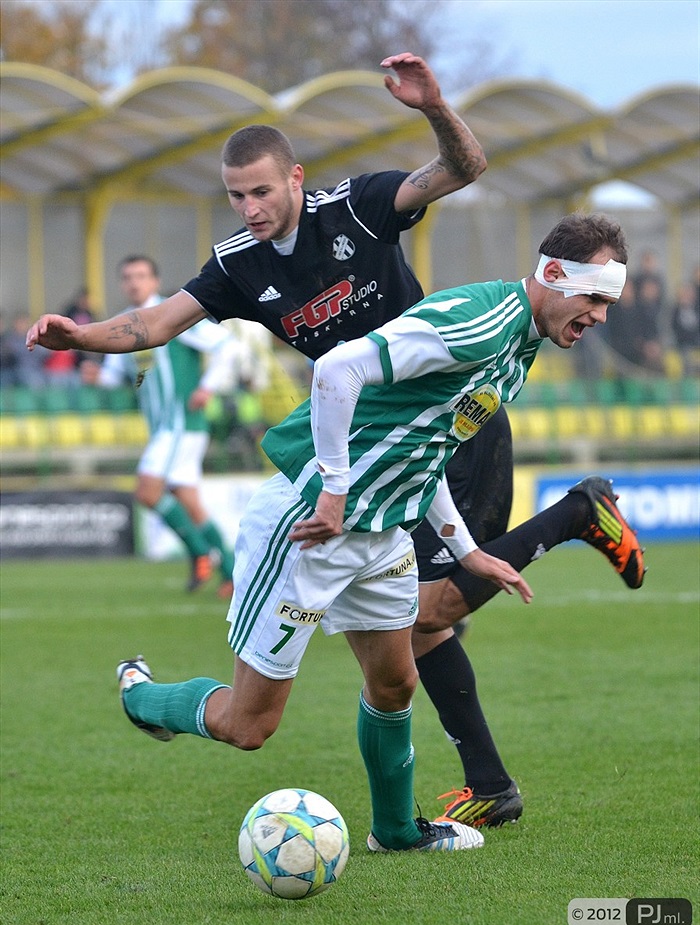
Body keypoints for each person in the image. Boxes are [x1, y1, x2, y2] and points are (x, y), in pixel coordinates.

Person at [25, 54, 644, 828]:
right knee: (396, 641)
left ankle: (426, 815)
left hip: (423, 437)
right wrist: (77, 336)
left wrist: (435, 105)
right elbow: (153, 324)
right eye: (236, 195)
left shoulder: (359, 210)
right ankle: (147, 696)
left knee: (411, 653)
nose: (249, 208)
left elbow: (464, 166)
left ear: (296, 179)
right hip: (349, 465)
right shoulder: (241, 267)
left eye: (261, 189)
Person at [102, 212, 630, 855]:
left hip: (383, 533)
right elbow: (336, 372)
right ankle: (143, 699)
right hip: (309, 529)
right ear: (553, 275)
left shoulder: (519, 345)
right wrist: (331, 488)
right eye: (595, 298)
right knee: (249, 725)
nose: (601, 316)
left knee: (395, 681)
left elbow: (427, 451)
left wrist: (467, 553)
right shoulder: (480, 321)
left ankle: (397, 832)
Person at [83, 255, 241, 597]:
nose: (134, 282)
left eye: (141, 276)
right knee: (189, 501)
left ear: (154, 281)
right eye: (127, 277)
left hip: (180, 424)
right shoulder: (123, 324)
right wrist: (97, 377)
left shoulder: (173, 314)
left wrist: (207, 386)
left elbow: (227, 346)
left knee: (147, 491)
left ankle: (200, 553)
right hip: (164, 429)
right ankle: (231, 570)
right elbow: (115, 376)